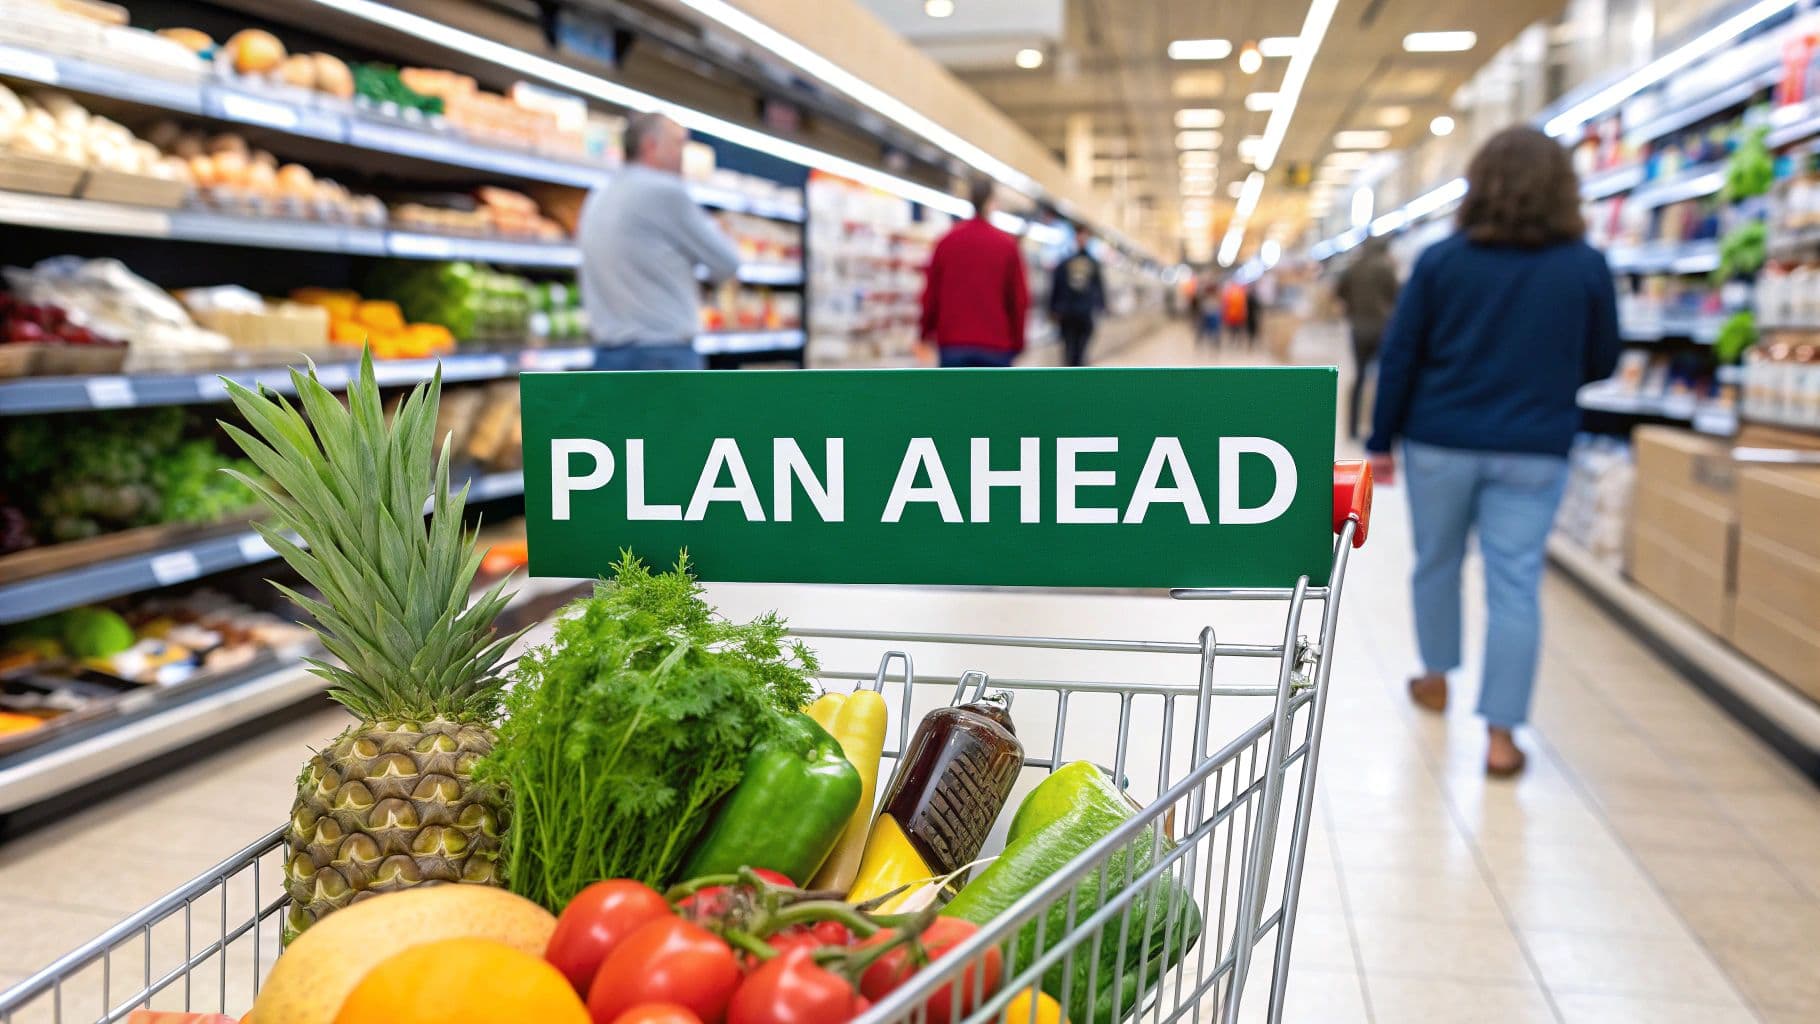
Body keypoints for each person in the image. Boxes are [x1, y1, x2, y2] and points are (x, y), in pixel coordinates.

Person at [1367, 125, 1621, 777]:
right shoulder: (1585, 265)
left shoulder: (1441, 261)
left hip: (1440, 440)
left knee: (1437, 563)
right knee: (1516, 584)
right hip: (1535, 446)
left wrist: (1379, 440)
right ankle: (1502, 738)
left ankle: (1436, 676)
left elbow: (1401, 355)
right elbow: (1602, 359)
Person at [576, 111, 741, 370]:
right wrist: (703, 285)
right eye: (678, 143)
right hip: (664, 357)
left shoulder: (598, 195)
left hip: (608, 356)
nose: (682, 154)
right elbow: (727, 261)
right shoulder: (664, 192)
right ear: (650, 146)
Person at [920, 177, 1030, 367]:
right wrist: (1018, 341)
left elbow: (931, 294)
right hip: (997, 345)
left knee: (955, 397)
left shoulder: (946, 242)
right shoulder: (1006, 245)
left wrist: (925, 331)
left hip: (953, 343)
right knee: (994, 398)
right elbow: (1019, 299)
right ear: (993, 202)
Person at [1335, 238, 1401, 439]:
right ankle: (1382, 429)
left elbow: (1339, 292)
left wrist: (1352, 309)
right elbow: (1397, 296)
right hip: (1383, 328)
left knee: (1359, 377)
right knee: (1385, 379)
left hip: (1359, 328)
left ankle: (1352, 429)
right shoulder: (1386, 268)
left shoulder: (1353, 267)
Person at [1048, 227, 1106, 366]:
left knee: (1079, 350)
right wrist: (1053, 308)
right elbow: (1057, 286)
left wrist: (1101, 305)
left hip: (1084, 313)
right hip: (1068, 314)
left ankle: (1076, 374)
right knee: (1069, 350)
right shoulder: (1066, 263)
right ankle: (1073, 375)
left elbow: (1099, 287)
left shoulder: (1093, 264)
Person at [1218, 276, 1249, 347]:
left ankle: (1234, 341)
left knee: (1233, 329)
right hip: (1236, 314)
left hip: (1233, 314)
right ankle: (1237, 341)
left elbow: (1225, 304)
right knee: (1237, 329)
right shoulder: (1240, 292)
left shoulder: (1230, 292)